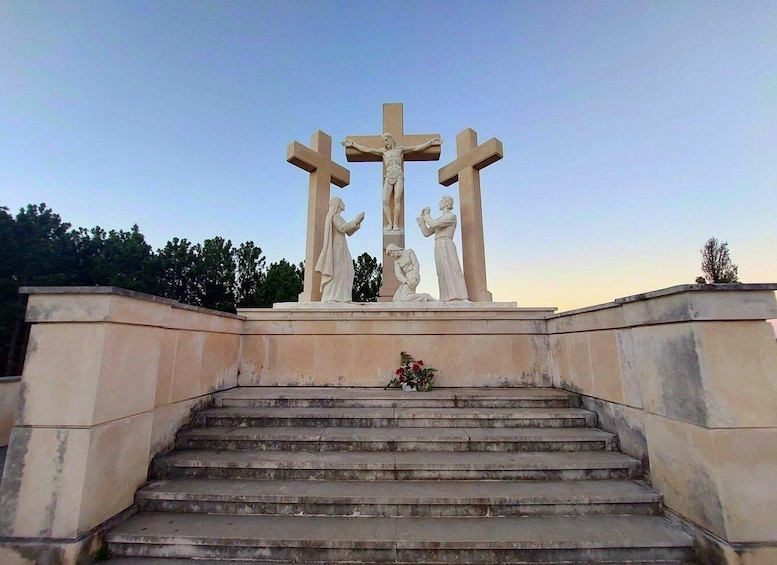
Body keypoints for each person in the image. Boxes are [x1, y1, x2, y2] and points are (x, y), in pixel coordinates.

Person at [342, 133, 442, 231]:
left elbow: (416, 148)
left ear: (391, 139)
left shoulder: (400, 149)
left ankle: (395, 223)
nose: (385, 142)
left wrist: (430, 143)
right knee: (385, 201)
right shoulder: (383, 152)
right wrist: (353, 144)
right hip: (389, 176)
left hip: (398, 175)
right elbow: (367, 150)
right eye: (384, 141)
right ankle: (390, 223)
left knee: (397, 200)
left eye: (386, 140)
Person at [417, 195, 469, 302]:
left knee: (453, 268)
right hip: (438, 244)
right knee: (441, 271)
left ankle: (461, 296)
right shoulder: (440, 219)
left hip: (446, 243)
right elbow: (426, 233)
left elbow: (434, 223)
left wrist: (427, 215)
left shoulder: (451, 217)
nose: (439, 203)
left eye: (441, 201)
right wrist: (421, 220)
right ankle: (446, 297)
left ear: (446, 203)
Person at [315, 197, 364, 302]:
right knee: (336, 271)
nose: (343, 203)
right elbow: (342, 228)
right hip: (336, 248)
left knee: (348, 270)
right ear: (337, 204)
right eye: (341, 201)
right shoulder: (332, 216)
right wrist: (354, 221)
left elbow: (348, 232)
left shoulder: (340, 218)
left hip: (342, 247)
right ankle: (331, 296)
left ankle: (343, 297)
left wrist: (357, 223)